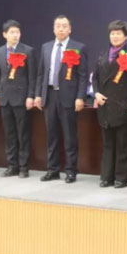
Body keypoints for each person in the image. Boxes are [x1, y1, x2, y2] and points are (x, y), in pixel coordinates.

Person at [35, 15, 88, 183]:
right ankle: (53, 169)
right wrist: (38, 94)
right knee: (51, 135)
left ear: (70, 29)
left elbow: (83, 76)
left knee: (70, 136)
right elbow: (41, 73)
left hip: (69, 97)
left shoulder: (78, 47)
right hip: (50, 95)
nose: (61, 29)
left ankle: (71, 171)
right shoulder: (46, 47)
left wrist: (80, 97)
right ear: (53, 29)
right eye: (58, 26)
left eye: (64, 26)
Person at [92, 20, 127, 189]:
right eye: (112, 33)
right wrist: (96, 93)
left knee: (122, 144)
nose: (115, 36)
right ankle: (106, 176)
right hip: (104, 104)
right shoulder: (102, 54)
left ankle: (122, 177)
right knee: (107, 143)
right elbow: (95, 78)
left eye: (118, 33)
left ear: (125, 36)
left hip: (122, 105)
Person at [0, 19, 36, 178]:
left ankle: (24, 167)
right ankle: (12, 166)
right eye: (12, 32)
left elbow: (32, 76)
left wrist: (30, 95)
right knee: (9, 134)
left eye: (17, 32)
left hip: (21, 97)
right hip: (4, 98)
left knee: (23, 134)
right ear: (4, 34)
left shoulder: (28, 51)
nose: (15, 35)